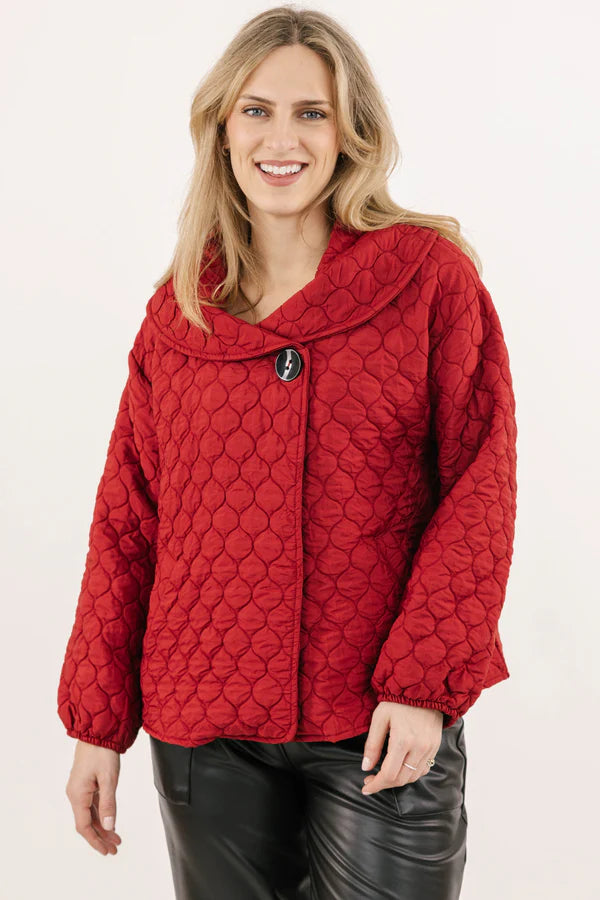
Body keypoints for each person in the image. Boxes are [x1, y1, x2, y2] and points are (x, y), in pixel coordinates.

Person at [57, 6, 518, 899]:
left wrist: (424, 683)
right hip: (203, 723)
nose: (282, 139)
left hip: (375, 721)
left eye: (312, 113)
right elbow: (128, 522)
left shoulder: (428, 279)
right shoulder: (179, 312)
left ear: (351, 133)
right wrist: (97, 723)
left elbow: (480, 486)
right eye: (257, 111)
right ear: (222, 129)